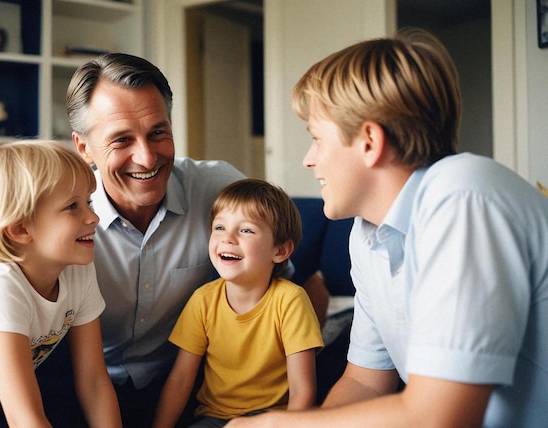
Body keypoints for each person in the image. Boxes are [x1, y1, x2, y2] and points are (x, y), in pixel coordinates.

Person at [226, 27, 548, 427]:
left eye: (316, 139)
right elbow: (364, 381)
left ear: (369, 142)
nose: (310, 160)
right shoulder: (367, 235)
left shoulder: (465, 196)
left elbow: (440, 416)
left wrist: (276, 424)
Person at [58, 53, 246, 426]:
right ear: (83, 148)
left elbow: (288, 281)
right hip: (76, 389)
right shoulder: (58, 218)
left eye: (158, 132)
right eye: (121, 140)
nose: (146, 157)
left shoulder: (218, 190)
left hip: (183, 384)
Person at [0, 141, 121, 427]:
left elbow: (93, 380)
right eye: (72, 207)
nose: (93, 217)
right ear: (20, 229)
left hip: (1, 382)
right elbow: (23, 417)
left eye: (88, 202)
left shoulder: (78, 270)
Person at [153, 178, 324, 428]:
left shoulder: (291, 300)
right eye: (219, 227)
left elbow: (302, 391)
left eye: (246, 230)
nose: (228, 238)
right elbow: (180, 380)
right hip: (213, 418)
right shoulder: (203, 300)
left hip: (273, 419)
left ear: (280, 251)